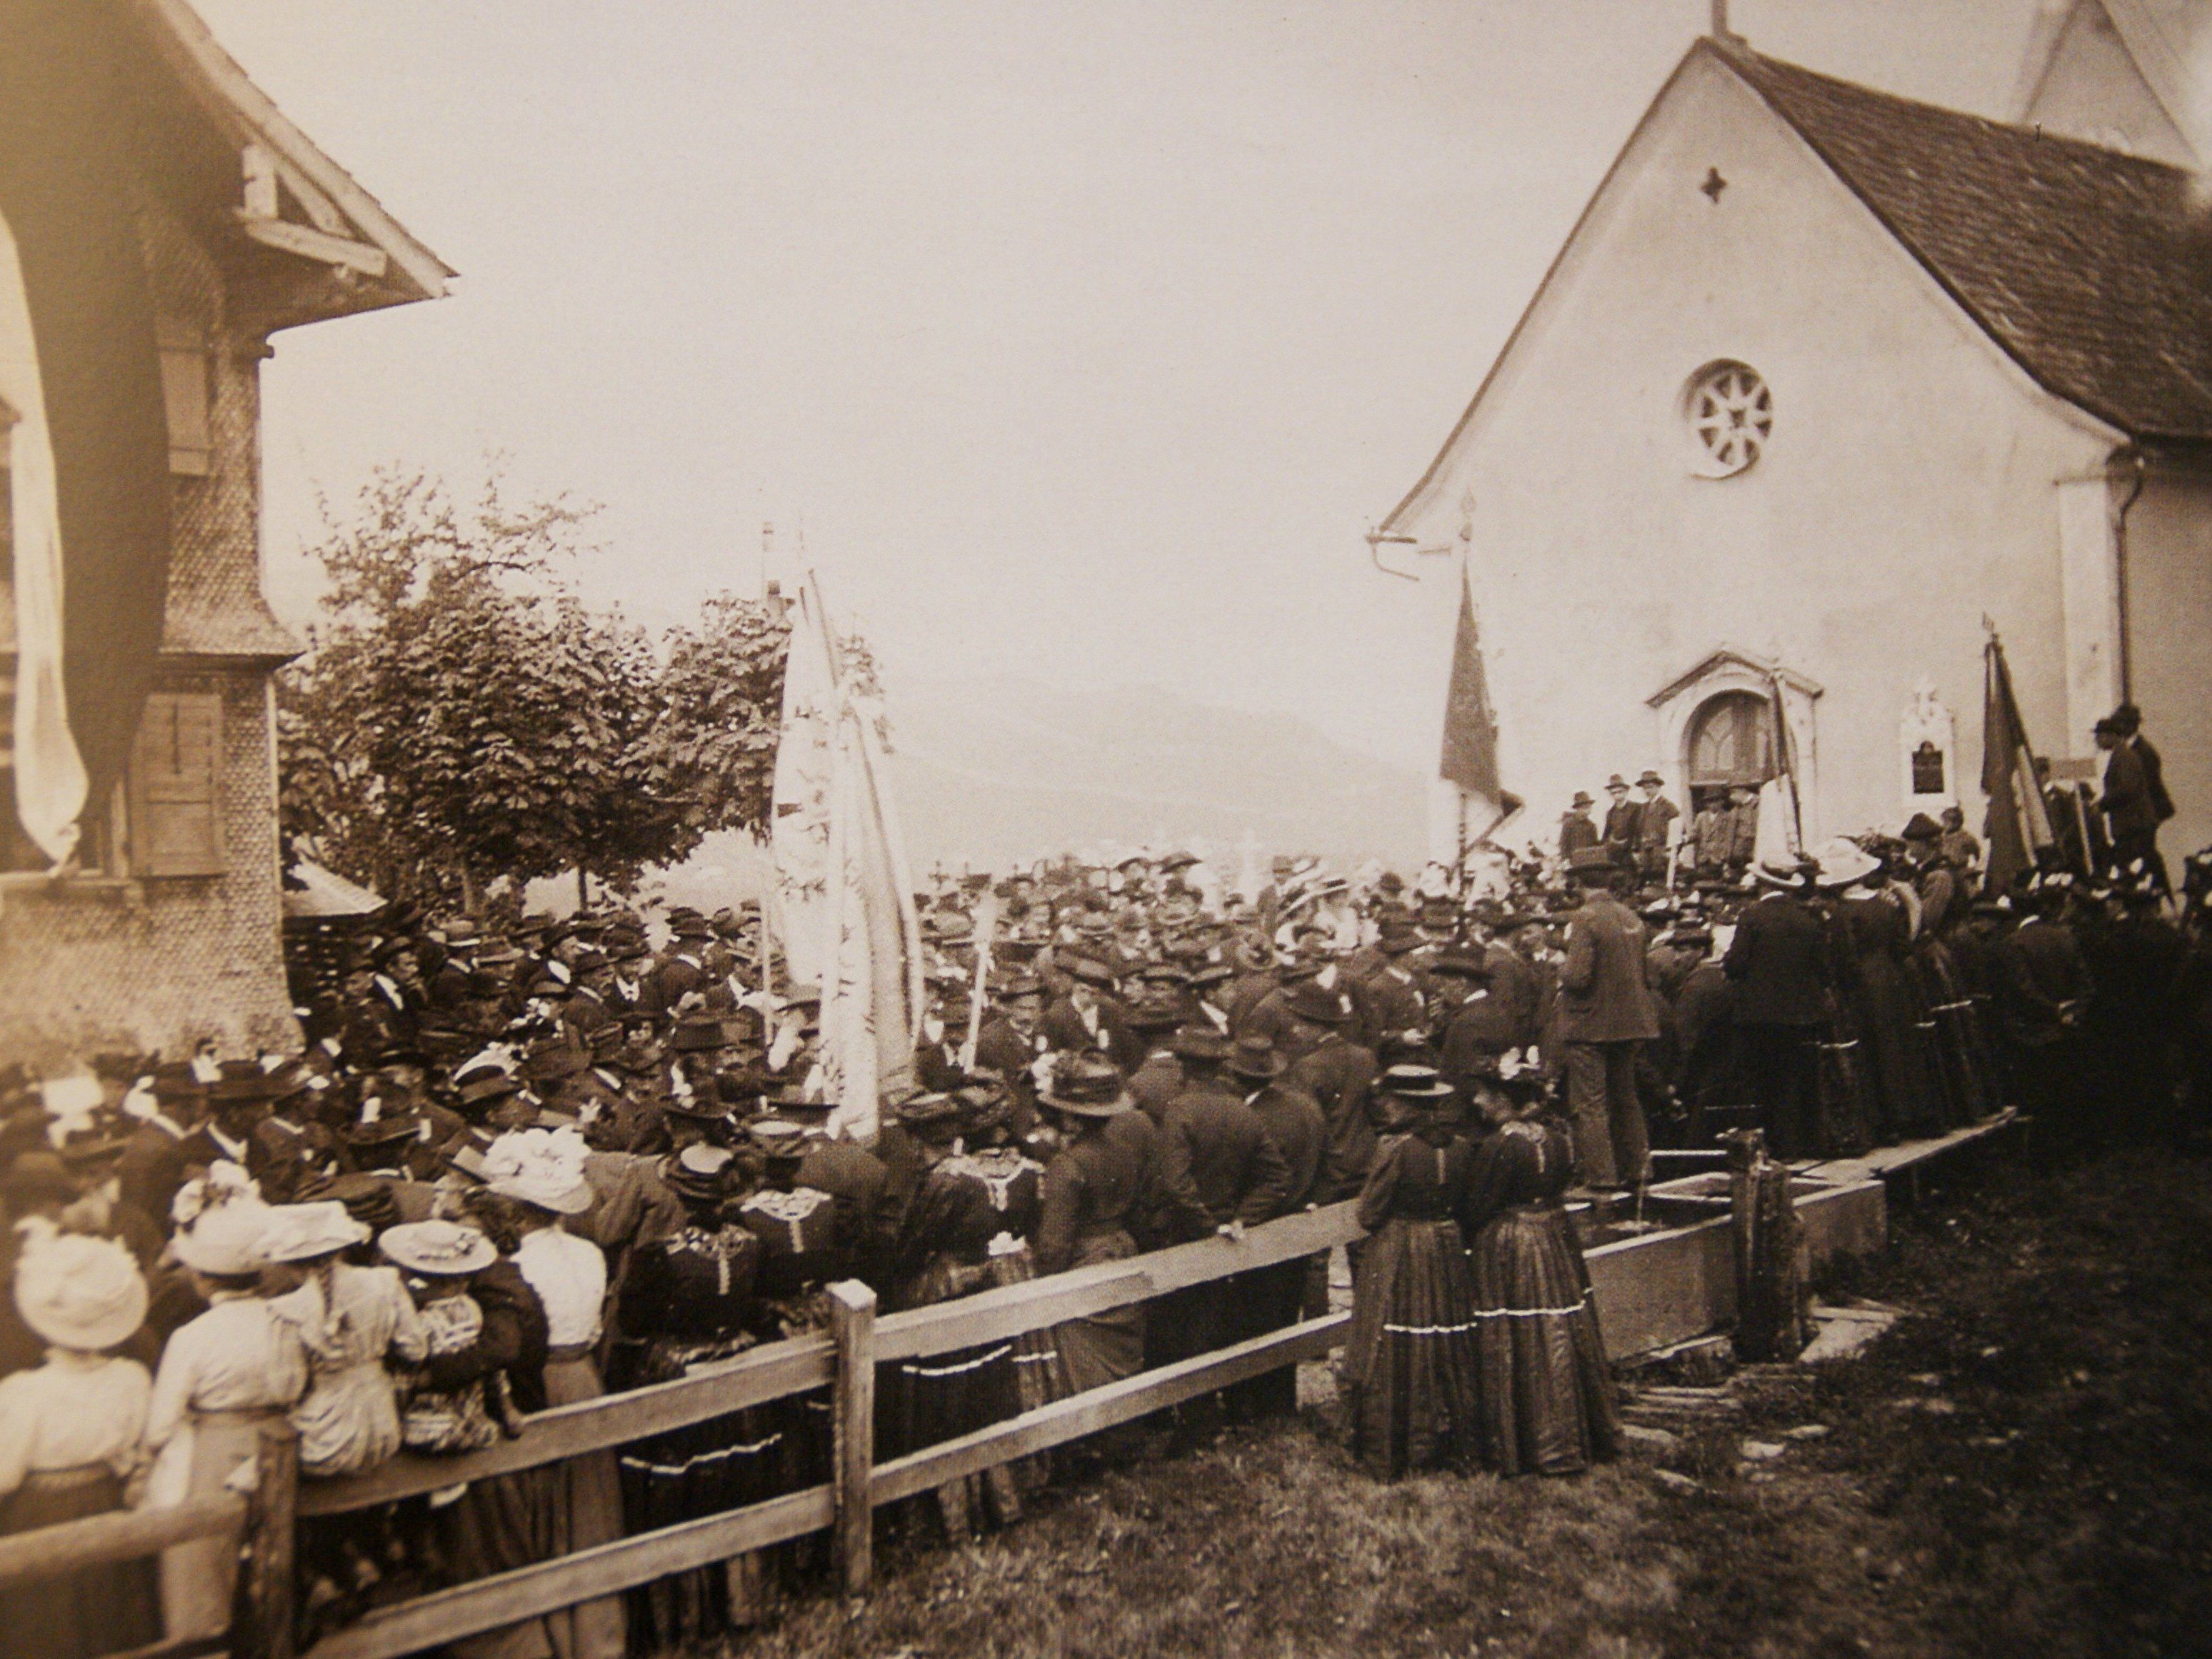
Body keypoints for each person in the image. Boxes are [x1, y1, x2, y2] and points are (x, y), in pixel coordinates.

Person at [480, 1131, 627, 1659]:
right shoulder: (589, 1253)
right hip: (585, 1374)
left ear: (518, 1212)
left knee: (546, 1502)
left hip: (543, 1380)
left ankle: (557, 1634)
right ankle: (600, 1631)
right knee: (591, 1502)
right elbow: (589, 1330)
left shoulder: (518, 1269)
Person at [144, 1189, 309, 1640]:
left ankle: (205, 1640)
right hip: (284, 1441)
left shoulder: (193, 1337)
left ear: (202, 1279)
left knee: (205, 1561)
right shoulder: (287, 1321)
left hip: (216, 1452)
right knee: (282, 1554)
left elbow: (160, 1426)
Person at [0, 1232, 161, 1659]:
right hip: (109, 1502)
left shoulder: (23, 1393)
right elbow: (140, 1447)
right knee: (110, 1617)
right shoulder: (132, 1378)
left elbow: (5, 1474)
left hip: (41, 1514)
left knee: (50, 1626)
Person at [1462, 1054, 1621, 1476]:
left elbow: (1479, 1206)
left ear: (1505, 1098)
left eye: (1485, 1094)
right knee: (1560, 1331)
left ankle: (1525, 1442)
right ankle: (1568, 1434)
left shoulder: (1501, 1145)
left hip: (1514, 1244)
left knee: (1519, 1336)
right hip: (1554, 1238)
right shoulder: (1559, 1138)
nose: (1477, 1101)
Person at [1343, 1066, 1481, 1478]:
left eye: (1390, 1101)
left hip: (1401, 1248)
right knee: (1445, 1333)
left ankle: (1391, 1448)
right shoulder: (1460, 1146)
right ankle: (1457, 1443)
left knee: (1390, 1336)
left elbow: (1369, 1214)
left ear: (1404, 1105)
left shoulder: (1395, 1149)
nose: (1384, 1107)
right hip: (1446, 1245)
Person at [264, 1200, 428, 1478]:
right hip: (384, 1424)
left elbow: (285, 1389)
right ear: (342, 1248)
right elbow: (416, 1349)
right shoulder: (385, 1283)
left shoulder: (287, 1311)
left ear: (289, 1262)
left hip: (323, 1438)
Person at [1558, 851, 1658, 1190]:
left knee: (1591, 1104)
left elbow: (1577, 978)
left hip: (1591, 1024)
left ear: (1577, 881)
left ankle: (1602, 1178)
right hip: (1631, 1021)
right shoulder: (1630, 916)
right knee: (1626, 1096)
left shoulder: (1584, 919)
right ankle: (1640, 1169)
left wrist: (1560, 966)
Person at [1723, 858, 1832, 1159]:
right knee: (1792, 1078)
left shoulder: (1752, 917)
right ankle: (1794, 1145)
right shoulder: (1809, 919)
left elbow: (1736, 964)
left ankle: (1764, 1145)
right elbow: (1823, 968)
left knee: (1759, 1079)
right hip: (1800, 1013)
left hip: (1758, 1014)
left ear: (1763, 885)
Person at [1633, 771, 1680, 879]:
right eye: (1645, 788)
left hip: (1661, 851)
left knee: (1661, 879)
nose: (1648, 791)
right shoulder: (1643, 808)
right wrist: (1636, 850)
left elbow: (1679, 831)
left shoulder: (1668, 807)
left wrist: (1672, 851)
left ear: (1658, 787)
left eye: (1651, 787)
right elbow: (1638, 830)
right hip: (1646, 852)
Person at [1558, 791, 1600, 858]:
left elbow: (1594, 845)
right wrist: (1566, 859)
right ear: (1578, 808)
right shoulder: (1569, 824)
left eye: (1589, 807)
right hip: (1573, 860)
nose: (1588, 809)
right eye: (1585, 807)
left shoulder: (1592, 826)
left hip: (1588, 860)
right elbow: (1563, 844)